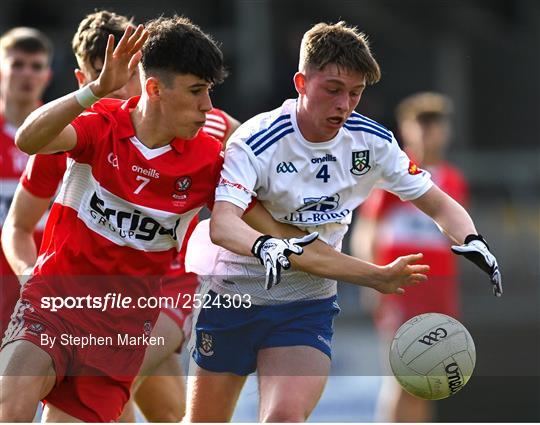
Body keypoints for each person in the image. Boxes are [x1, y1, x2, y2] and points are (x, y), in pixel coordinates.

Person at [185, 21, 501, 422]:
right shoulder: (256, 140)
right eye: (333, 90)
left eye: (355, 93)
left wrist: (472, 238)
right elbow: (223, 224)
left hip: (306, 303)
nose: (344, 105)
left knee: (283, 416)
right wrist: (267, 247)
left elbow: (439, 203)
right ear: (300, 82)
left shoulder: (373, 142)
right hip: (235, 295)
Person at [0, 10, 240, 422]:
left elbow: (257, 167)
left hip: (152, 302)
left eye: (127, 71)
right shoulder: (84, 127)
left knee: (152, 406)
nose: (121, 85)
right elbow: (19, 222)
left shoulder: (210, 137)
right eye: (108, 74)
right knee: (11, 401)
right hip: (59, 300)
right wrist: (29, 278)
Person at [351, 92, 470, 422]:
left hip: (440, 287)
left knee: (431, 376)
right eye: (421, 123)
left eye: (435, 124)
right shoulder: (394, 172)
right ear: (406, 128)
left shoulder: (454, 179)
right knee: (403, 374)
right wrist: (372, 281)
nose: (429, 132)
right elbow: (368, 229)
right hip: (403, 285)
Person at [0, 26, 53, 341]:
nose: (27, 74)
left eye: (36, 66)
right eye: (17, 64)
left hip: (45, 276)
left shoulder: (67, 134)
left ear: (47, 76)